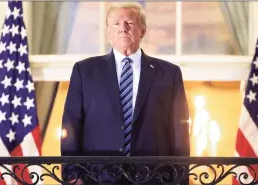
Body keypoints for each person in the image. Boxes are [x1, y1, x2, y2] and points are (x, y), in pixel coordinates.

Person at [60, 2, 190, 184]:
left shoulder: (169, 73)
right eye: (116, 23)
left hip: (154, 177)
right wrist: (72, 174)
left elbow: (180, 131)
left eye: (129, 22)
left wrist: (180, 177)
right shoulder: (85, 71)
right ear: (109, 33)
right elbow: (71, 125)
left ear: (142, 31)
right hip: (97, 177)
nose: (122, 28)